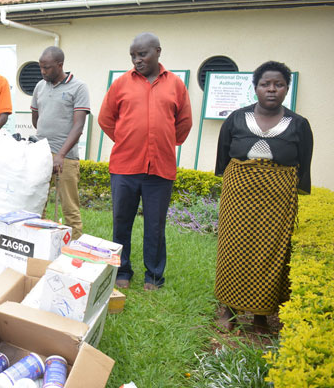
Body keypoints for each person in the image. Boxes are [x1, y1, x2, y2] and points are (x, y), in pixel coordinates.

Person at [214, 61, 313, 333]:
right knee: (234, 248)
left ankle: (261, 314)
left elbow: (303, 164)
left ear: (286, 88)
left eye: (278, 84)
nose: (272, 89)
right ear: (255, 87)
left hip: (278, 198)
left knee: (270, 252)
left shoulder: (298, 124)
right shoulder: (236, 118)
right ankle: (230, 309)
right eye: (265, 84)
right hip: (239, 194)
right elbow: (224, 158)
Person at [98, 32, 192, 290]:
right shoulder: (121, 84)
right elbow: (105, 118)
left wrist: (163, 142)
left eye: (142, 54)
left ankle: (154, 276)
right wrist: (127, 139)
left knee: (155, 226)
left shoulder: (175, 84)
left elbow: (184, 122)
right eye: (133, 56)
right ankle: (122, 272)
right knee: (121, 223)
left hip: (160, 169)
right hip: (125, 167)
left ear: (158, 52)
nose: (137, 60)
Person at [31, 46, 90, 239]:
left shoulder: (78, 87)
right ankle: (38, 244)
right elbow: (36, 118)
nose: (43, 72)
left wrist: (61, 154)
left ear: (59, 65)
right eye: (41, 67)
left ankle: (73, 251)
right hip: (41, 156)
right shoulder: (40, 86)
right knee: (38, 205)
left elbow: (78, 126)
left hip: (66, 159)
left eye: (47, 68)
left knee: (69, 209)